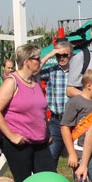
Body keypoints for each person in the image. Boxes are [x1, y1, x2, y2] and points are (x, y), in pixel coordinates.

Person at [0, 44, 55, 182]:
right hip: (20, 144)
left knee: (49, 181)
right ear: (27, 61)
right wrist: (11, 135)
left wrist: (48, 131)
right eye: (37, 59)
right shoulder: (12, 82)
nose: (40, 62)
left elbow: (40, 110)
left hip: (41, 142)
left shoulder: (35, 81)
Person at [60, 69, 92, 169]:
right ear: (89, 85)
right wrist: (72, 153)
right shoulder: (75, 102)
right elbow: (65, 128)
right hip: (80, 150)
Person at [39, 41, 72, 169]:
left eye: (64, 55)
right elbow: (33, 71)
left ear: (71, 55)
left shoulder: (77, 71)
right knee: (51, 157)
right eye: (58, 56)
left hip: (74, 121)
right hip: (56, 120)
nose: (61, 58)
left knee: (77, 157)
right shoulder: (51, 71)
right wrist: (50, 54)